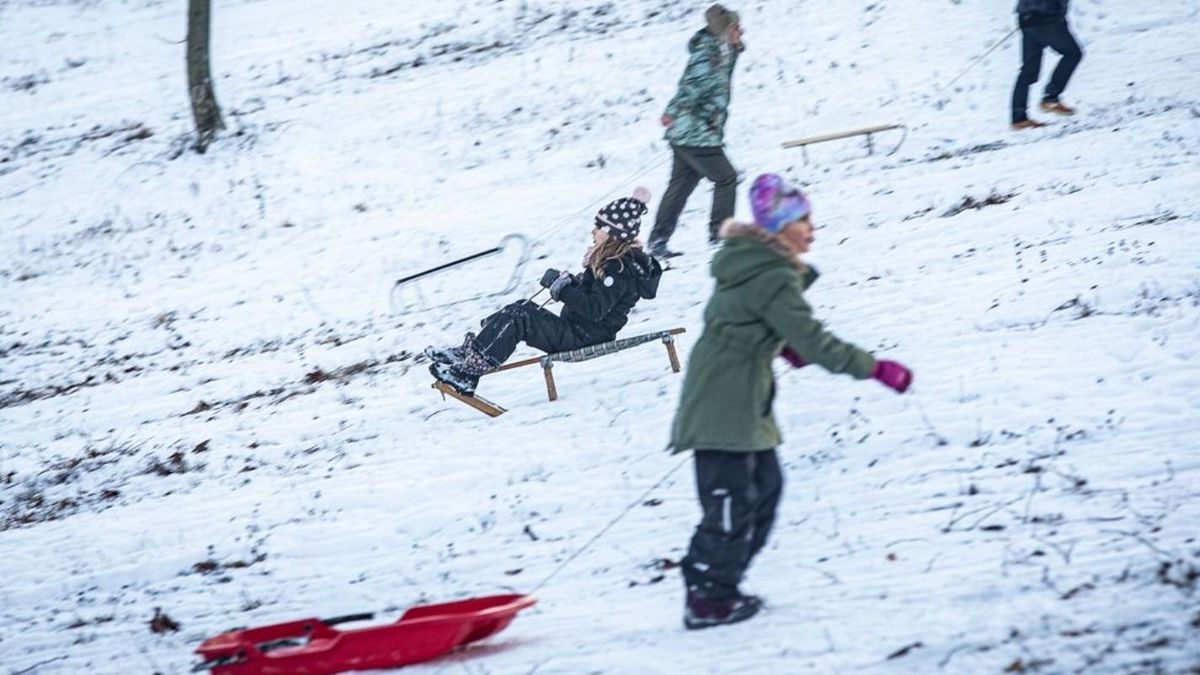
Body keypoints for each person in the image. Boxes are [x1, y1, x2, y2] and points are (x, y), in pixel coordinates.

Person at [667, 174, 914, 630]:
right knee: (732, 504)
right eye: (804, 221)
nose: (812, 231)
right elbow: (816, 341)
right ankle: (706, 597)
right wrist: (874, 368)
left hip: (741, 399)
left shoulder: (753, 267)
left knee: (765, 490)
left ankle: (722, 587)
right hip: (724, 403)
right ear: (780, 228)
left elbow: (740, 320)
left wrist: (781, 344)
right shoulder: (770, 275)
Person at [426, 189, 663, 397]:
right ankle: (469, 354)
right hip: (579, 331)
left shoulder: (617, 269)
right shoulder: (613, 263)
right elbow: (595, 297)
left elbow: (595, 310)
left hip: (584, 337)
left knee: (519, 316)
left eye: (600, 226)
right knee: (521, 307)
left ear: (614, 234)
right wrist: (572, 282)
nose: (593, 231)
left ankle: (468, 374)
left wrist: (563, 289)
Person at [646, 3, 744, 259]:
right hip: (694, 132)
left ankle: (657, 242)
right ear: (725, 30)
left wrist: (736, 48)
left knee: (680, 186)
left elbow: (722, 76)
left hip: (693, 133)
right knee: (726, 178)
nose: (741, 31)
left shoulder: (721, 51)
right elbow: (688, 88)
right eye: (736, 27)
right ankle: (720, 236)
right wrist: (671, 112)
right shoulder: (706, 55)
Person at [1011, 0, 1083, 130]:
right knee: (1073, 54)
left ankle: (1019, 118)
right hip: (1046, 17)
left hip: (1027, 17)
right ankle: (1050, 98)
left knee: (1028, 70)